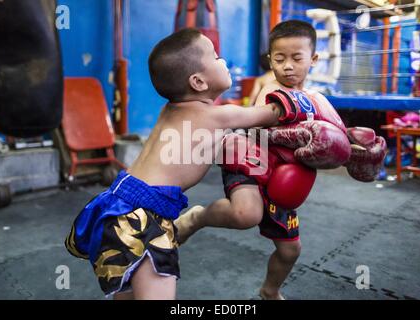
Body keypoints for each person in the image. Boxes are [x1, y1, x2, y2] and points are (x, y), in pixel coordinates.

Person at [64, 28, 296, 300]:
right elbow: (270, 114)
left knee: (126, 292)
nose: (224, 60)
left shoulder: (170, 110)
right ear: (198, 82)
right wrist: (310, 105)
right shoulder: (216, 116)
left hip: (116, 205)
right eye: (216, 57)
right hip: (144, 217)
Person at [175, 20, 386, 300]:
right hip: (252, 160)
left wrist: (355, 147)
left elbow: (334, 135)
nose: (287, 66)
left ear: (313, 59)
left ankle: (269, 291)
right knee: (245, 214)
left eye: (296, 58)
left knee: (290, 251)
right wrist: (298, 133)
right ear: (270, 60)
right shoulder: (271, 93)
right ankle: (196, 217)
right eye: (279, 59)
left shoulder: (319, 100)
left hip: (286, 181)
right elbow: (258, 127)